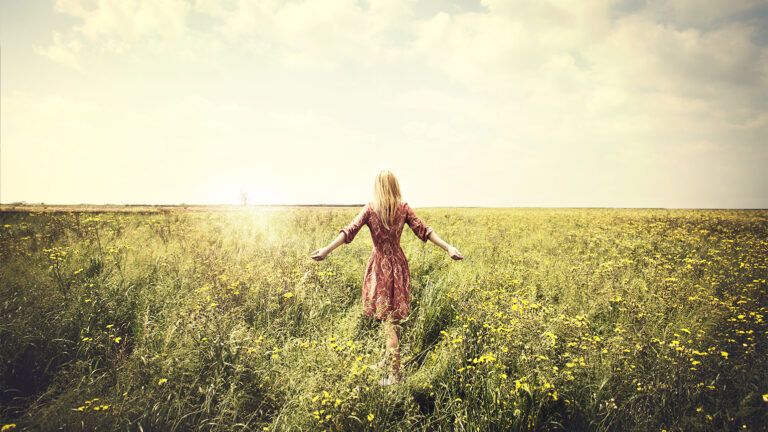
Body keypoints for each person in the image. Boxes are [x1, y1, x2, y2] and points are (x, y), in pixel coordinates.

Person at [310, 170, 464, 386]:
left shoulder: (371, 208)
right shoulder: (403, 208)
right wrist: (449, 247)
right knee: (392, 320)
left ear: (378, 186)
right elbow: (425, 231)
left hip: (380, 267)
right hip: (398, 265)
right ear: (394, 185)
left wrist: (327, 249)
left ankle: (394, 375)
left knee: (389, 322)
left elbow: (349, 231)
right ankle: (387, 361)